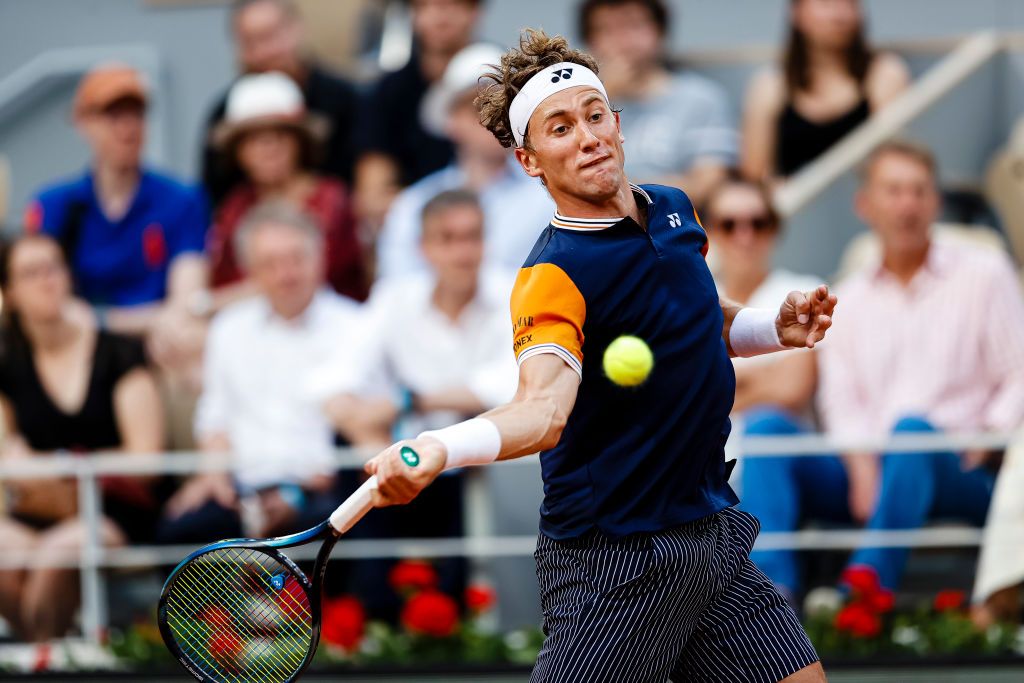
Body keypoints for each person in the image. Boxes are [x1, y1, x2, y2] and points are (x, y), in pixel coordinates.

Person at [360, 30, 835, 682]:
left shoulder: (673, 210)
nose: (586, 137)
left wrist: (768, 327)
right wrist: (440, 446)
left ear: (616, 123)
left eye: (592, 116)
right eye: (559, 128)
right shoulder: (551, 275)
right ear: (529, 160)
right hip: (613, 557)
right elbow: (542, 408)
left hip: (709, 530)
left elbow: (692, 318)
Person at [814, 140, 1024, 592]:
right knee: (772, 431)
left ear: (936, 202)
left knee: (911, 430)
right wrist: (862, 468)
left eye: (918, 191)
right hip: (873, 467)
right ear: (864, 204)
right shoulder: (847, 295)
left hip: (963, 469)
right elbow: (839, 397)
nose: (907, 205)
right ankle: (775, 601)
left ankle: (861, 594)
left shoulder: (985, 272)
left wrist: (986, 439)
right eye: (893, 191)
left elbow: (1019, 372)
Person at [318, 189, 518, 619]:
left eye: (473, 237)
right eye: (448, 239)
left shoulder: (513, 293)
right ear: (423, 248)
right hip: (408, 470)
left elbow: (506, 390)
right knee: (356, 454)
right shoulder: (396, 298)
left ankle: (453, 623)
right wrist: (376, 448)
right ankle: (371, 620)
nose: (464, 252)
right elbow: (335, 387)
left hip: (477, 471)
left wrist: (407, 401)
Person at [158, 202, 368, 544]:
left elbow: (365, 425)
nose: (286, 274)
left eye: (296, 259)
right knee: (177, 533)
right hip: (242, 493)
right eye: (270, 264)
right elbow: (215, 419)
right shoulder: (229, 329)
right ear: (250, 270)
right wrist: (214, 477)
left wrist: (298, 492)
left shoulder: (356, 326)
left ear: (320, 258)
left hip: (327, 494)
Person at [0, 234, 164, 642]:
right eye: (31, 272)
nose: (47, 281)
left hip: (113, 508)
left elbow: (146, 458)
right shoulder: (8, 364)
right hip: (39, 508)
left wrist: (56, 466)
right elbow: (6, 453)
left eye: (53, 267)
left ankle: (40, 659)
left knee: (59, 553)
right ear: (11, 292)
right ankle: (48, 655)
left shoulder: (119, 353)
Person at [23, 65, 209, 359]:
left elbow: (186, 302)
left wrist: (100, 319)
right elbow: (33, 291)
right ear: (83, 123)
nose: (127, 128)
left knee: (190, 346)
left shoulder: (180, 200)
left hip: (154, 344)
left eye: (136, 114)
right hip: (75, 348)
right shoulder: (53, 205)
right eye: (113, 115)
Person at [702, 174, 823, 600]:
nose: (745, 235)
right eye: (730, 223)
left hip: (781, 461)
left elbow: (792, 387)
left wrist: (712, 385)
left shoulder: (800, 288)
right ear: (710, 230)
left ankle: (772, 595)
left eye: (759, 222)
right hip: (709, 468)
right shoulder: (695, 295)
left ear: (774, 228)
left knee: (769, 427)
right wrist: (756, 378)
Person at [376, 43, 555, 280]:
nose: (494, 119)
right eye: (479, 108)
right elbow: (397, 294)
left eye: (505, 107)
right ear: (450, 122)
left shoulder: (553, 199)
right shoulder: (412, 206)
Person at [207, 72, 368, 302]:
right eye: (254, 139)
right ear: (238, 152)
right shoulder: (235, 206)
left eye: (280, 135)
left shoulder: (332, 199)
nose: (269, 148)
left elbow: (304, 284)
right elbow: (221, 277)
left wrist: (208, 305)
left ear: (300, 142)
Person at [201, 0, 360, 206]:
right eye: (249, 42)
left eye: (270, 36)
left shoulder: (344, 100)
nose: (263, 52)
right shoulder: (221, 113)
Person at [579, 0, 737, 205]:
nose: (622, 40)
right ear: (590, 42)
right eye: (607, 30)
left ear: (659, 31)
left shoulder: (700, 99)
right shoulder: (577, 106)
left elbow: (707, 186)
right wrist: (601, 96)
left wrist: (610, 187)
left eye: (633, 25)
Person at [741, 0, 910, 180]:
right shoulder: (770, 85)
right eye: (826, 4)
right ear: (796, 13)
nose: (839, 16)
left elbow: (895, 160)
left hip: (869, 202)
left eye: (849, 4)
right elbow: (756, 176)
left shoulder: (885, 74)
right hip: (793, 204)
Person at [354, 0, 480, 231]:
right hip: (415, 233)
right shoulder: (388, 92)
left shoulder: (506, 77)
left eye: (453, 4)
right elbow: (372, 197)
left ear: (475, 11)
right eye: (428, 5)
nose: (441, 15)